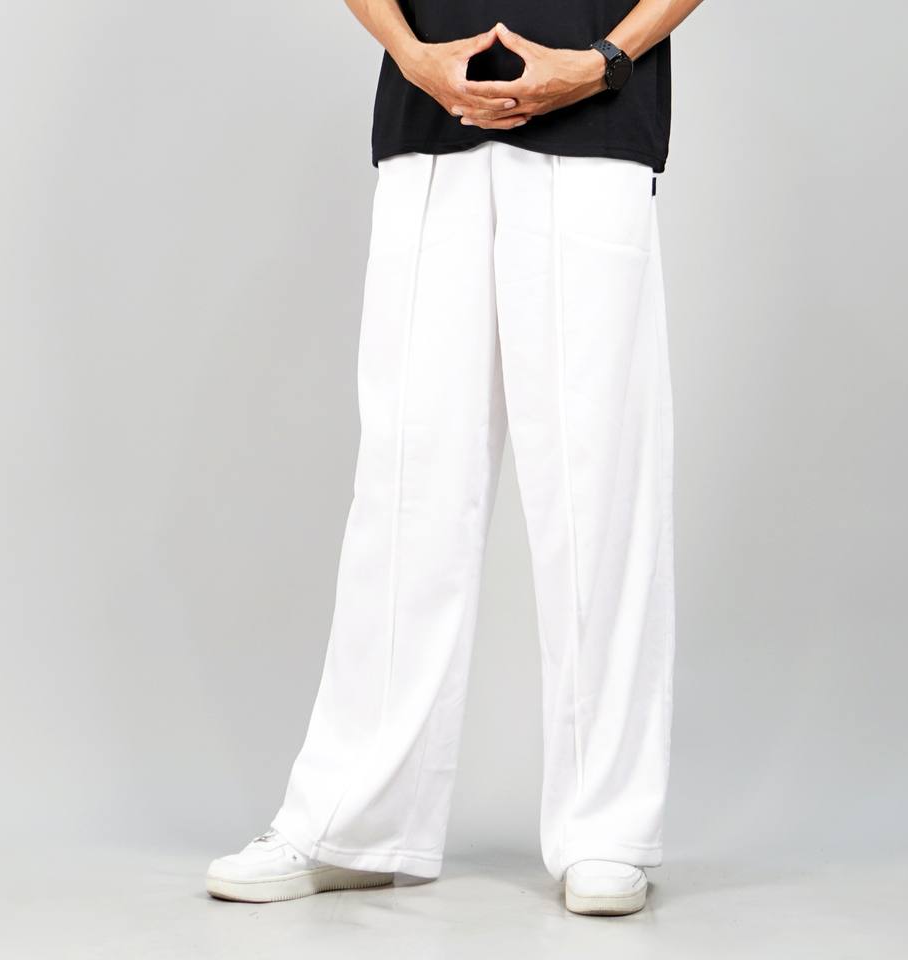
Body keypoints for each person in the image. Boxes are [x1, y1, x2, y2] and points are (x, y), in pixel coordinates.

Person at [207, 0, 704, 917]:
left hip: (596, 124)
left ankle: (606, 829)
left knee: (600, 484)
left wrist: (604, 60)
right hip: (430, 121)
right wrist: (410, 55)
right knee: (408, 484)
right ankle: (352, 821)